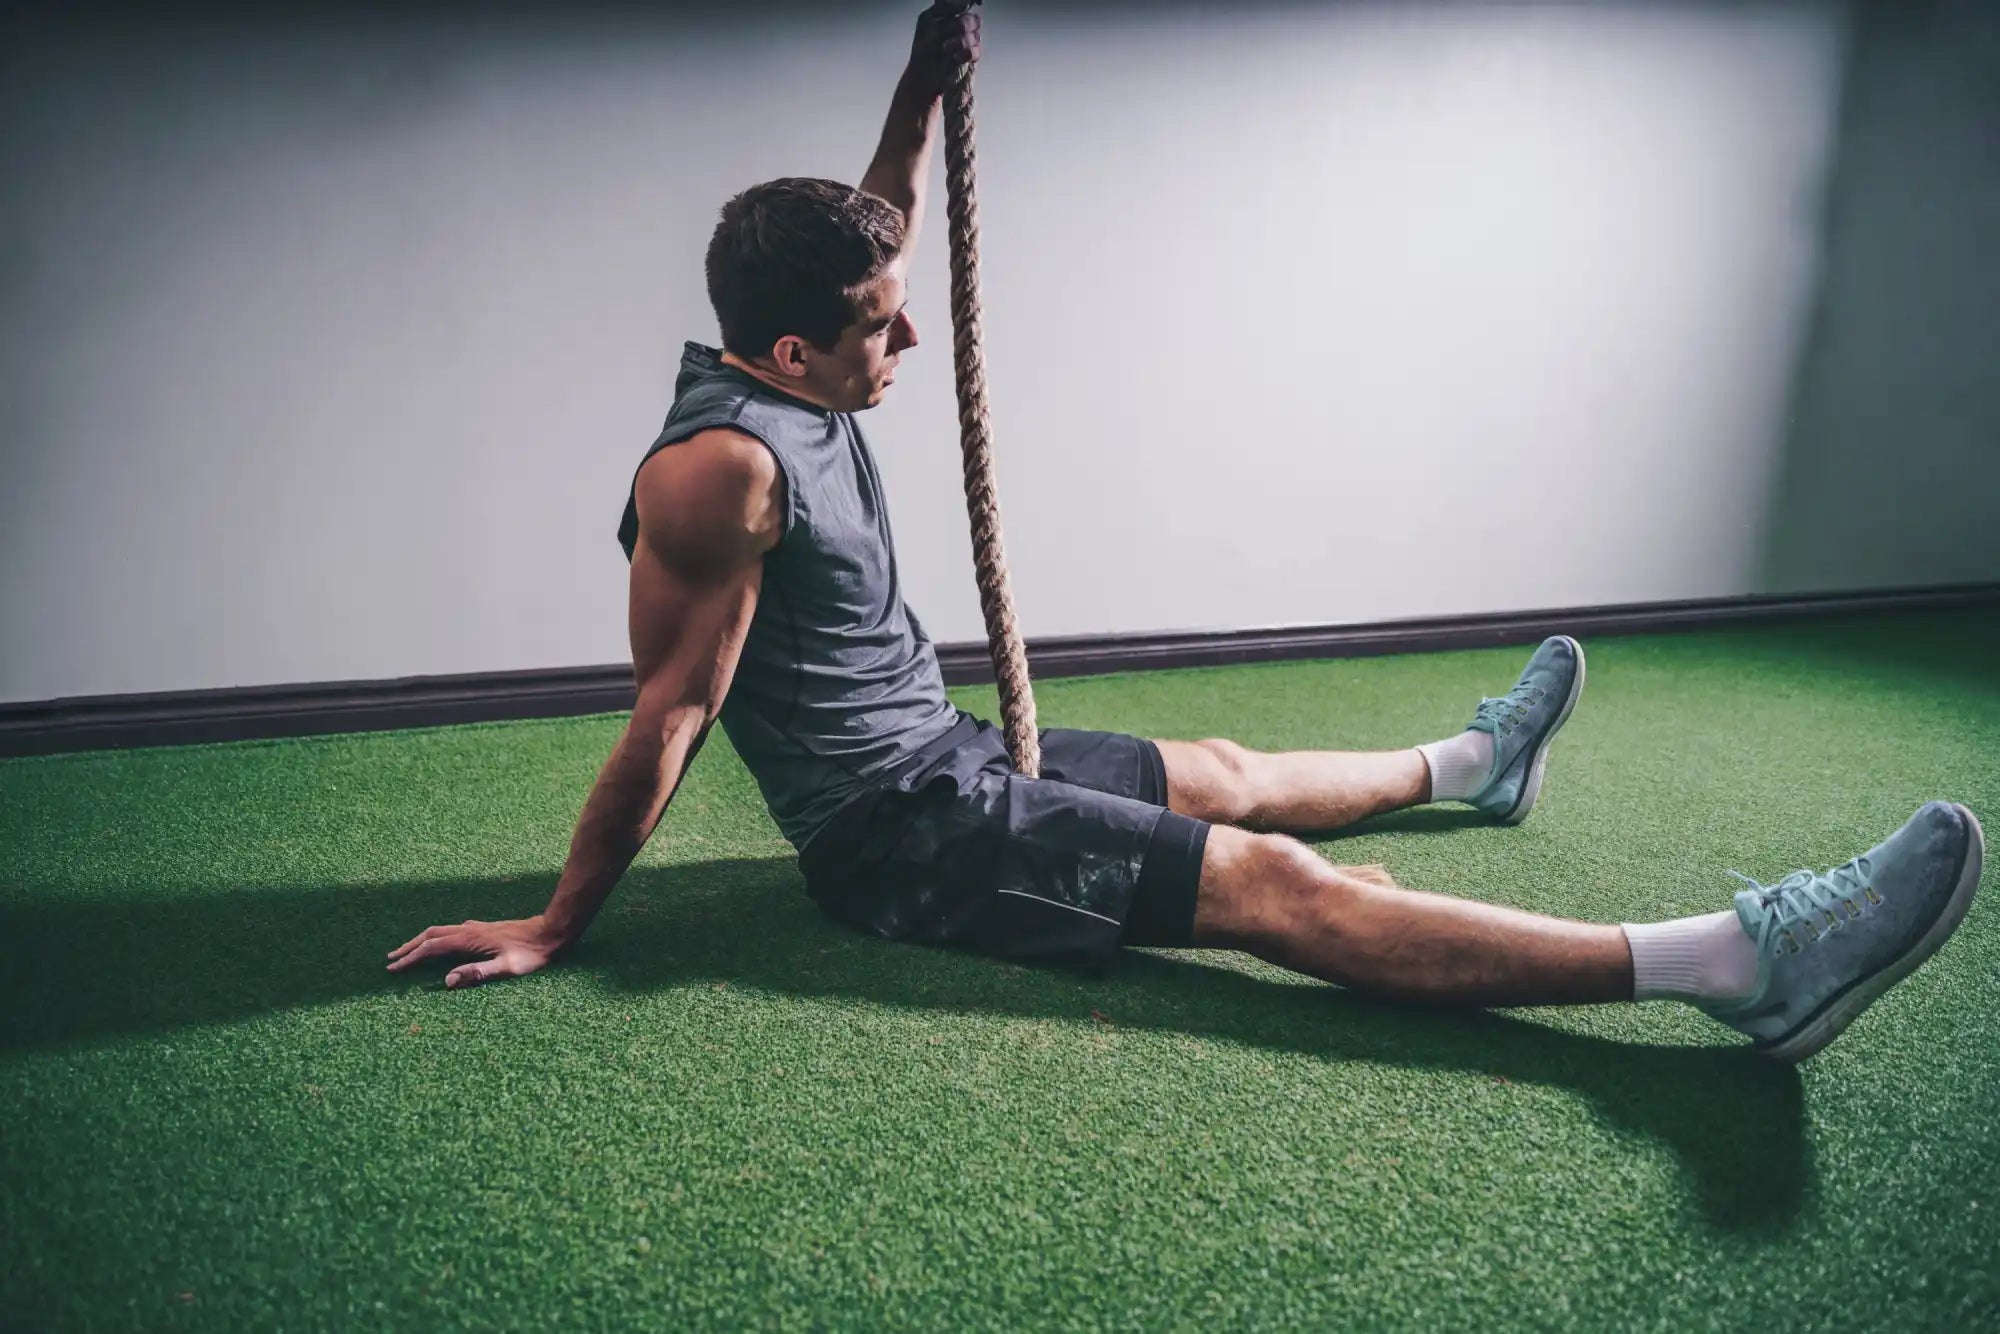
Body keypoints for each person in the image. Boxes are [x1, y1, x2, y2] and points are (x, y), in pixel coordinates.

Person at [388, 3, 1985, 1063]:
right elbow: (672, 709)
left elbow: (880, 207)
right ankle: (1732, 966)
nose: (910, 343)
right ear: (792, 355)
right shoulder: (714, 475)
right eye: (883, 329)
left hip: (948, 749)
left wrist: (917, 72)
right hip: (908, 840)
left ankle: (1476, 769)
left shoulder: (800, 347)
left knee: (1218, 761)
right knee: (1274, 881)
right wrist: (553, 922)